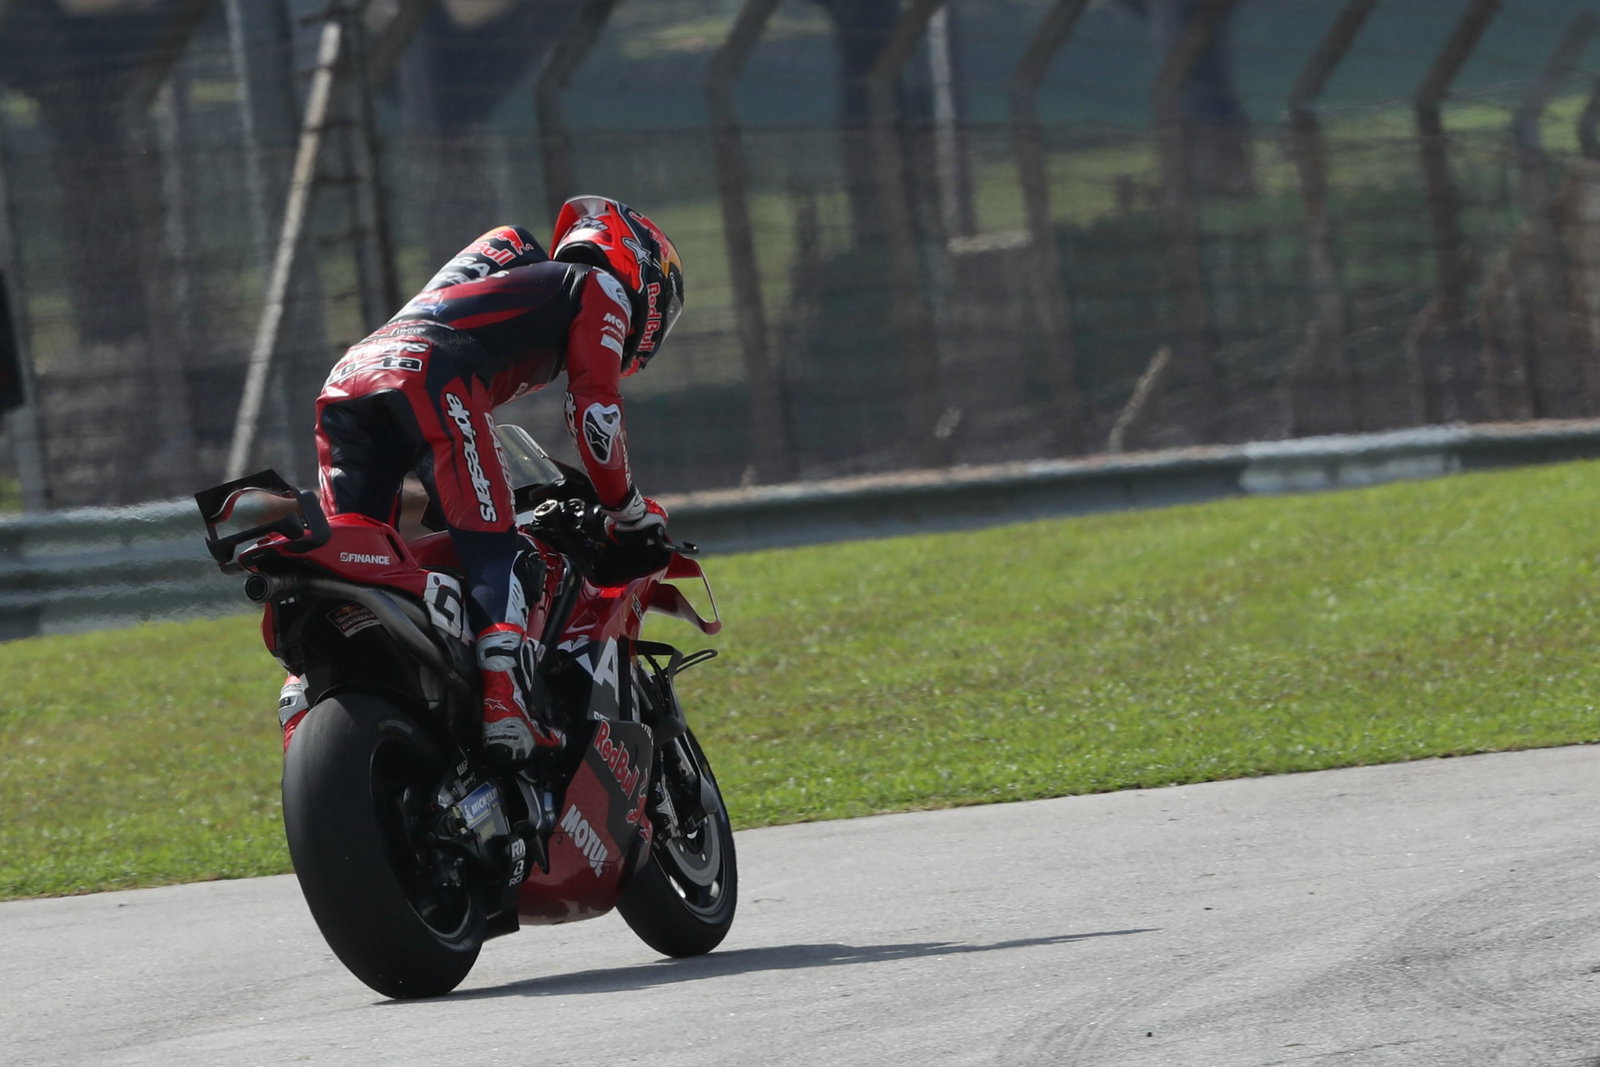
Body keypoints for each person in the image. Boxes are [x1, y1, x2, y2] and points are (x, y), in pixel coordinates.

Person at [277, 195, 686, 766]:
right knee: (500, 549)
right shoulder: (599, 288)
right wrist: (628, 510)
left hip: (348, 377)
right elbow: (595, 414)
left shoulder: (504, 272)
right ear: (637, 264)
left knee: (359, 552)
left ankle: (302, 710)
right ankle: (505, 707)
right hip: (432, 372)